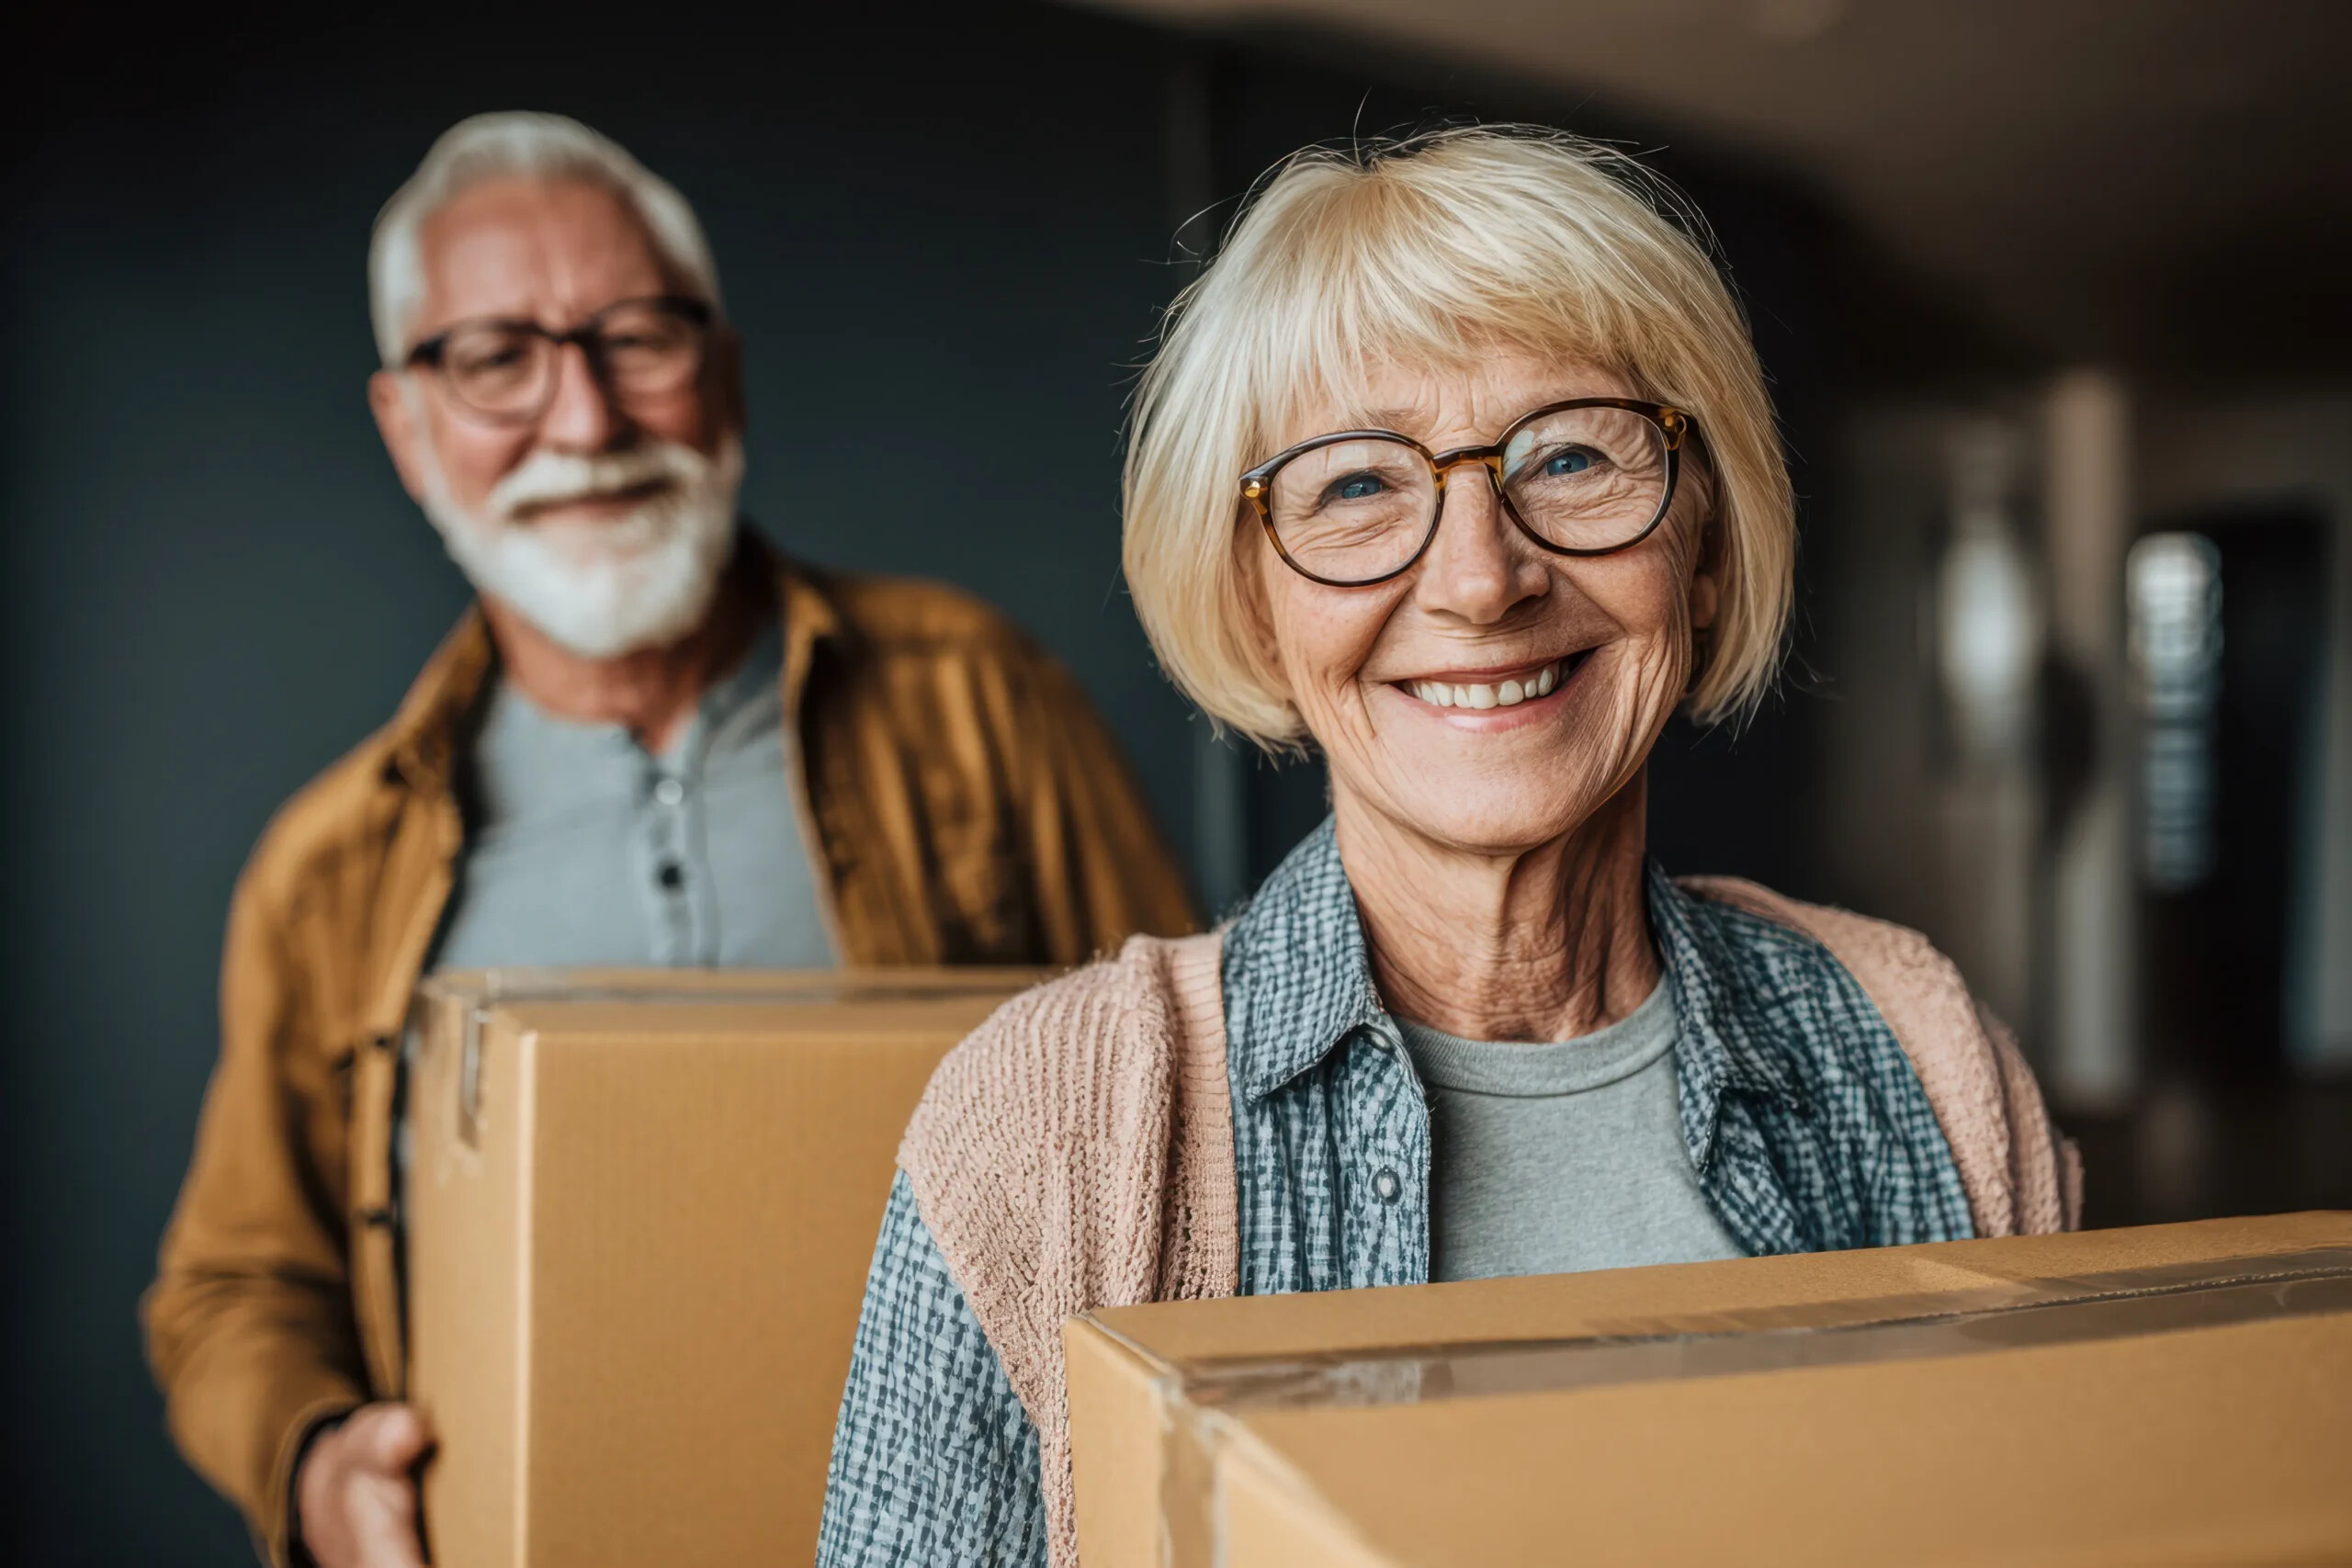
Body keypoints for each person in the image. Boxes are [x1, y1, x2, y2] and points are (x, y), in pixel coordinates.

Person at [816, 126, 2081, 1568]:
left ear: (1708, 546)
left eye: (1571, 457)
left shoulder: (1919, 1046)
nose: (1481, 578)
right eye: (1357, 486)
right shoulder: (1053, 1126)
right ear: (1255, 600)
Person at [142, 112, 1193, 1568]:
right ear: (406, 427)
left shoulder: (981, 701)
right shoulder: (326, 873)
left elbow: (1198, 1113)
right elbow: (233, 1285)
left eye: (637, 337)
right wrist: (316, 1461)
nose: (584, 422)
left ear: (726, 373)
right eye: (497, 358)